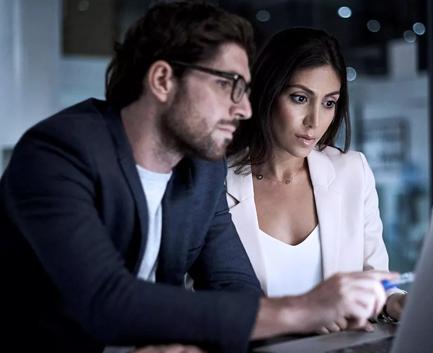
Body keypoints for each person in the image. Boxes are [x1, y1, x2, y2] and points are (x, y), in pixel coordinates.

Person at [0, 3, 395, 353]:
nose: (244, 109)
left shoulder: (202, 171)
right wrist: (303, 309)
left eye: (246, 90)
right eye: (228, 86)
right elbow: (107, 299)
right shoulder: (57, 154)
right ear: (162, 80)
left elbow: (235, 286)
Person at [226, 27, 406, 333]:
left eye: (329, 103)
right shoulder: (216, 182)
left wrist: (397, 302)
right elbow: (197, 297)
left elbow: (376, 278)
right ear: (267, 91)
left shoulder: (352, 172)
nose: (314, 121)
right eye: (299, 98)